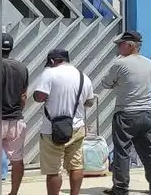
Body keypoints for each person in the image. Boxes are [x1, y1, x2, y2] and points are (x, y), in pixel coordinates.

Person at [100, 31, 151, 195]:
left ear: (130, 45)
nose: (118, 47)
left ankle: (120, 188)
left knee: (122, 152)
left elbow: (106, 84)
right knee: (150, 151)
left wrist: (118, 84)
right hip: (147, 112)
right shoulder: (149, 63)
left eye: (120, 44)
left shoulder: (120, 64)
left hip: (126, 113)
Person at [32, 48, 96, 195]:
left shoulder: (49, 73)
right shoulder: (83, 76)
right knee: (76, 165)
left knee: (53, 170)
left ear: (53, 61)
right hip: (77, 127)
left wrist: (37, 94)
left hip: (52, 129)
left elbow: (40, 97)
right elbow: (90, 102)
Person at [2, 32, 29, 195]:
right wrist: (18, 111)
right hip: (16, 119)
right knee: (17, 160)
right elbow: (23, 96)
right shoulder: (22, 68)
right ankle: (13, 193)